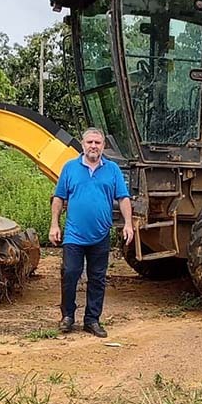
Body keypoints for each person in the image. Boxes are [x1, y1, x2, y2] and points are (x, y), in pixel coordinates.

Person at [49, 127, 133, 338]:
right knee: (70, 274)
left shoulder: (113, 170)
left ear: (103, 146)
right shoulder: (70, 168)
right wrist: (54, 225)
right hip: (74, 235)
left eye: (97, 143)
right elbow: (59, 198)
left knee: (97, 278)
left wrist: (128, 224)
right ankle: (67, 316)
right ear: (83, 144)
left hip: (100, 235)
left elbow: (123, 198)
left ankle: (92, 320)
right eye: (90, 142)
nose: (93, 146)